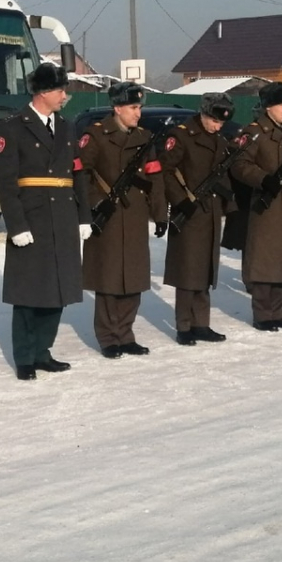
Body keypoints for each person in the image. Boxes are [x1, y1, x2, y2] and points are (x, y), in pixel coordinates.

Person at [0, 63, 91, 380]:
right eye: (61, 90)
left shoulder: (66, 126)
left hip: (62, 213)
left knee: (58, 287)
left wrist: (83, 216)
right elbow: (5, 183)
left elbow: (78, 173)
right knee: (28, 290)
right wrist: (16, 226)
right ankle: (24, 357)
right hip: (31, 215)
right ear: (43, 92)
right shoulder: (11, 127)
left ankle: (42, 352)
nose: (65, 96)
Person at [79, 81, 167, 357]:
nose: (138, 113)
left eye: (139, 107)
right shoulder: (96, 136)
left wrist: (160, 213)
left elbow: (155, 177)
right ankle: (108, 337)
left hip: (135, 215)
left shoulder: (144, 137)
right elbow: (81, 174)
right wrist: (92, 207)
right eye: (133, 107)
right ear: (117, 108)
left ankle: (126, 334)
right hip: (107, 216)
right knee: (109, 279)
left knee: (134, 277)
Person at [231, 81, 282, 330]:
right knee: (264, 261)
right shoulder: (254, 133)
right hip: (265, 207)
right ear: (268, 106)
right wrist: (263, 179)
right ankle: (262, 314)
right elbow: (240, 165)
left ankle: (277, 311)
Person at [160, 92, 236, 345]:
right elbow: (166, 172)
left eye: (221, 123)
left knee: (206, 271)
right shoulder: (181, 136)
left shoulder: (220, 140)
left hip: (211, 212)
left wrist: (230, 205)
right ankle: (184, 326)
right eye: (214, 121)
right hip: (188, 212)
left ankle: (201, 323)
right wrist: (180, 201)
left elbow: (223, 175)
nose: (217, 126)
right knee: (187, 271)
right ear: (203, 113)